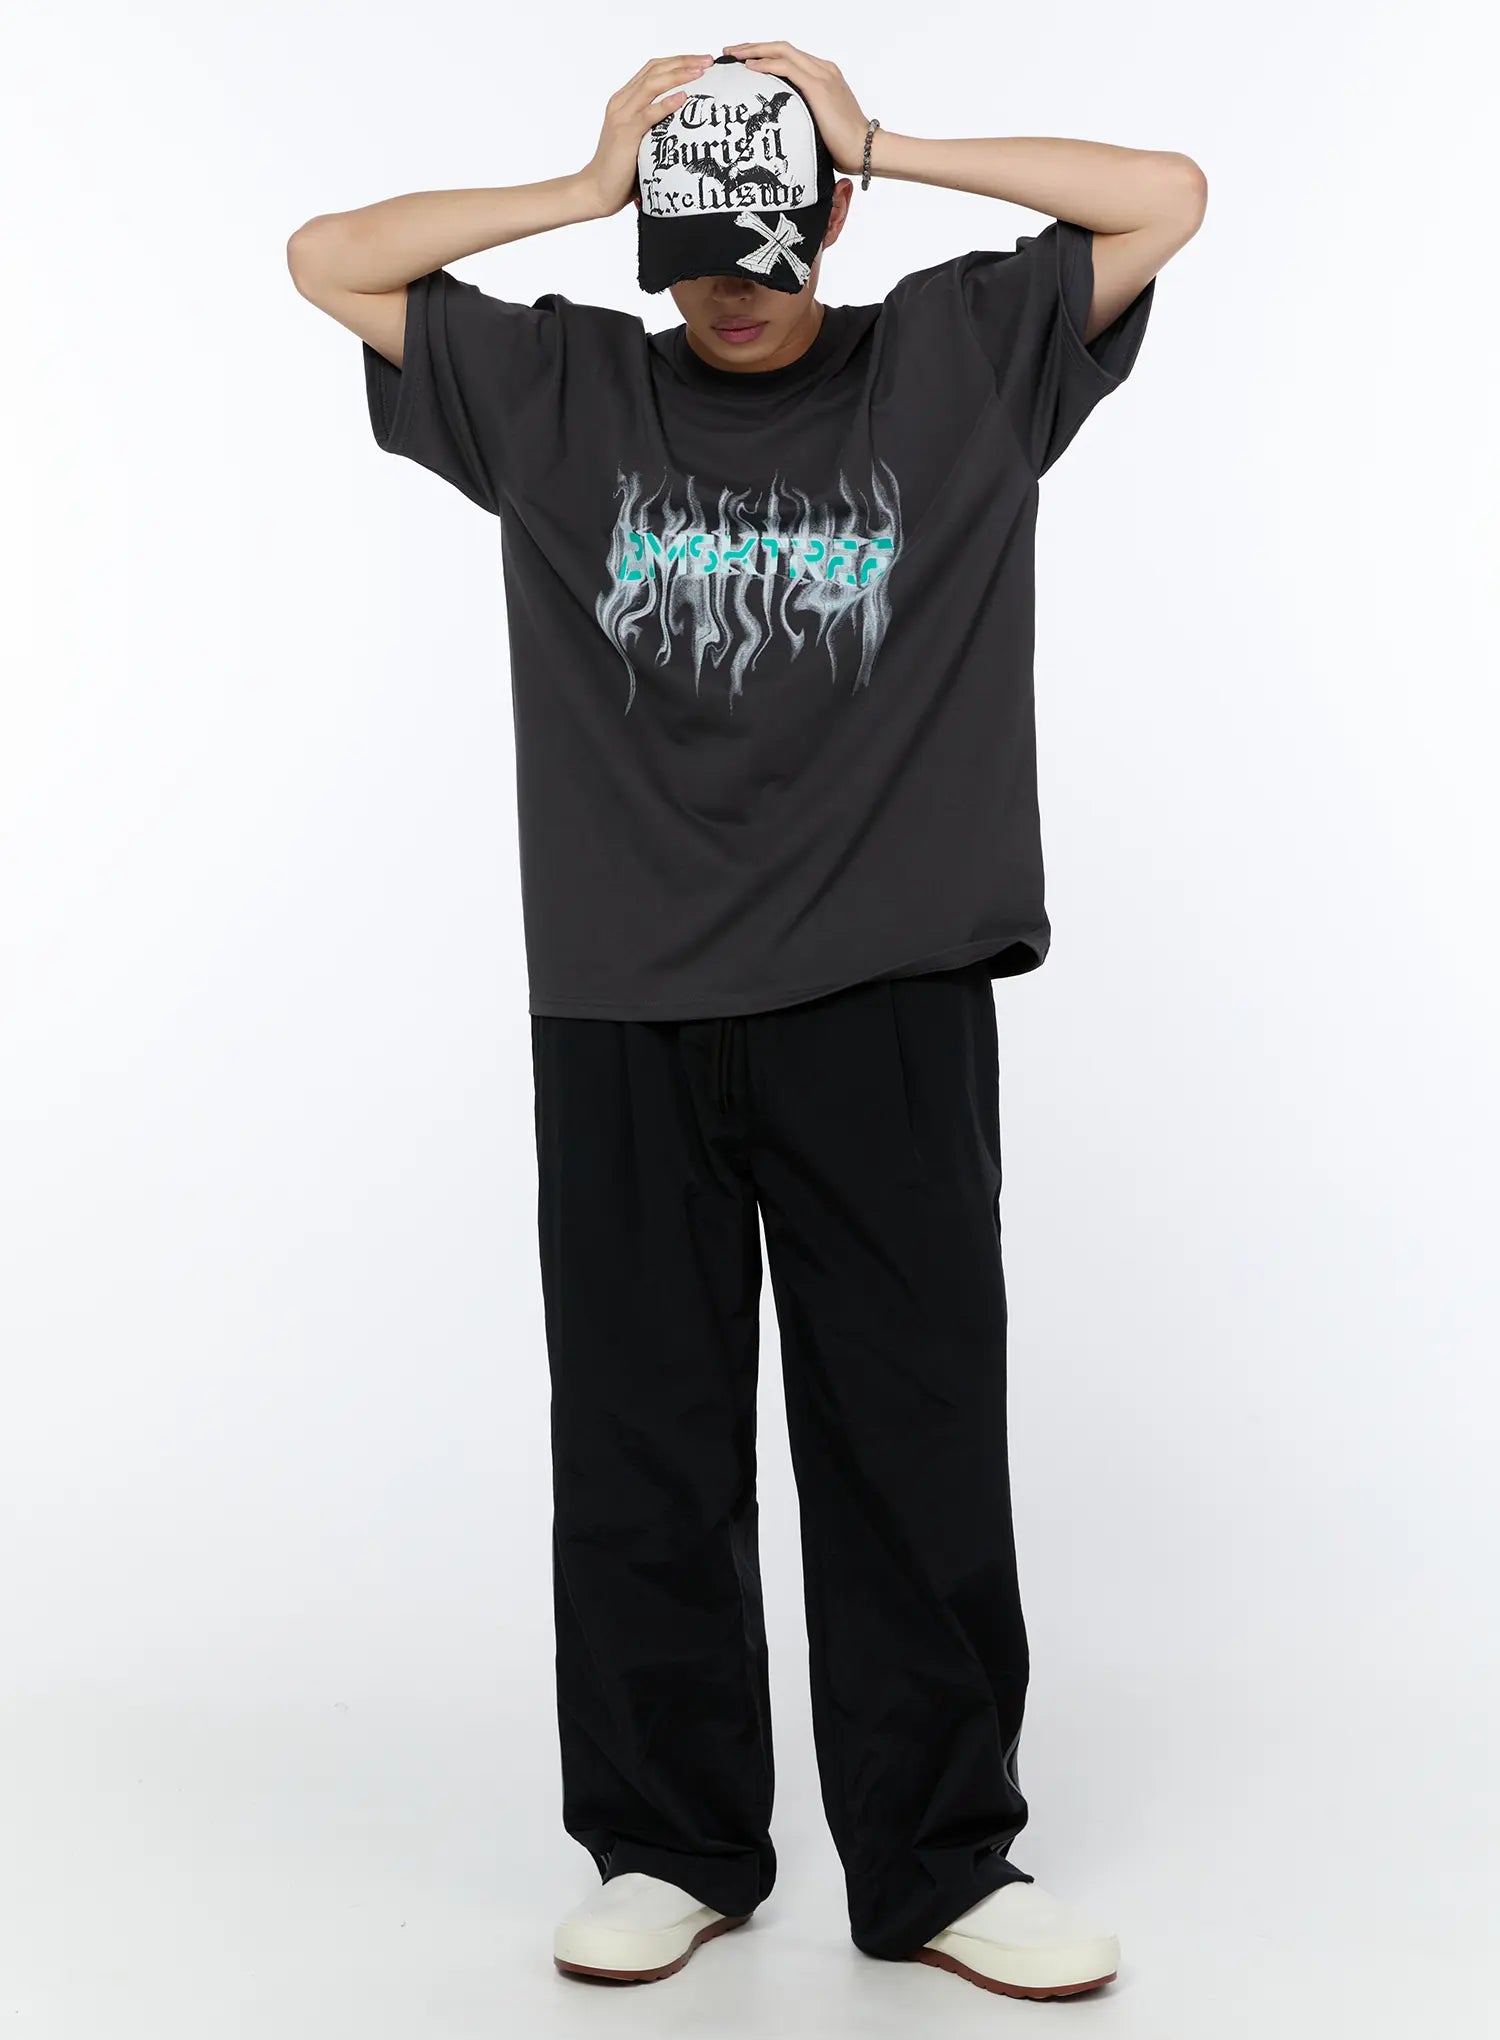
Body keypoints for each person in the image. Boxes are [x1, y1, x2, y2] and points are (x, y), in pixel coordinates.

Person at [287, 42, 1205, 2001]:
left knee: (913, 1435)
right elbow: (328, 257)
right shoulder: (562, 390)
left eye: (770, 249)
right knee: (642, 1443)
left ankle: (943, 1863)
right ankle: (670, 1845)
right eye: (695, 252)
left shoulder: (959, 363)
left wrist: (879, 138)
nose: (733, 291)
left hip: (887, 995)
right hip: (624, 998)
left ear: (831, 225)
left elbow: (1166, 196)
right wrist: (584, 180)